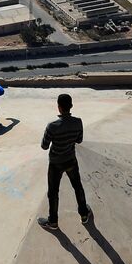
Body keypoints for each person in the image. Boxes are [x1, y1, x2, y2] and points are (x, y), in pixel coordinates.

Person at [38, 92, 91, 231]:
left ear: (59, 107)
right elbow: (79, 140)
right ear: (71, 106)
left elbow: (44, 146)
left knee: (53, 192)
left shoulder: (52, 126)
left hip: (56, 163)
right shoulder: (78, 122)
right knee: (77, 186)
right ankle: (84, 214)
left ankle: (53, 222)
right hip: (71, 160)